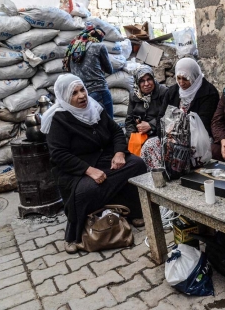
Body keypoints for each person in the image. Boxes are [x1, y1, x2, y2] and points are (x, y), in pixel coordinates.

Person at [41, 74, 147, 254]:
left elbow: (116, 132)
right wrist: (89, 170)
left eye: (82, 89)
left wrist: (119, 153)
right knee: (86, 191)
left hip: (104, 159)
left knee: (136, 165)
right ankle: (74, 234)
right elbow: (59, 155)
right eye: (74, 93)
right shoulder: (58, 119)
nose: (82, 96)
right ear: (64, 97)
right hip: (77, 169)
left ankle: (133, 211)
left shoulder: (95, 108)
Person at [140, 57, 219, 170]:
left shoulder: (208, 93)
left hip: (197, 138)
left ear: (194, 76)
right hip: (170, 137)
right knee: (149, 145)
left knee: (184, 151)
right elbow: (161, 117)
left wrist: (180, 135)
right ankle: (160, 175)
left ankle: (178, 177)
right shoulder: (172, 92)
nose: (181, 82)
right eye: (179, 78)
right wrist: (166, 135)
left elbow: (204, 123)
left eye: (185, 78)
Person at [63, 24, 115, 118]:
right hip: (99, 90)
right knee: (109, 123)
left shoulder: (73, 50)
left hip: (82, 94)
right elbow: (110, 70)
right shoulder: (99, 47)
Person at [125, 66, 168, 142]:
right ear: (137, 82)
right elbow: (129, 120)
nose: (146, 84)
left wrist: (151, 125)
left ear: (153, 79)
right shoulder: (134, 95)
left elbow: (168, 116)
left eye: (149, 79)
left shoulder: (163, 92)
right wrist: (133, 136)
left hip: (157, 132)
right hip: (139, 134)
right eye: (142, 81)